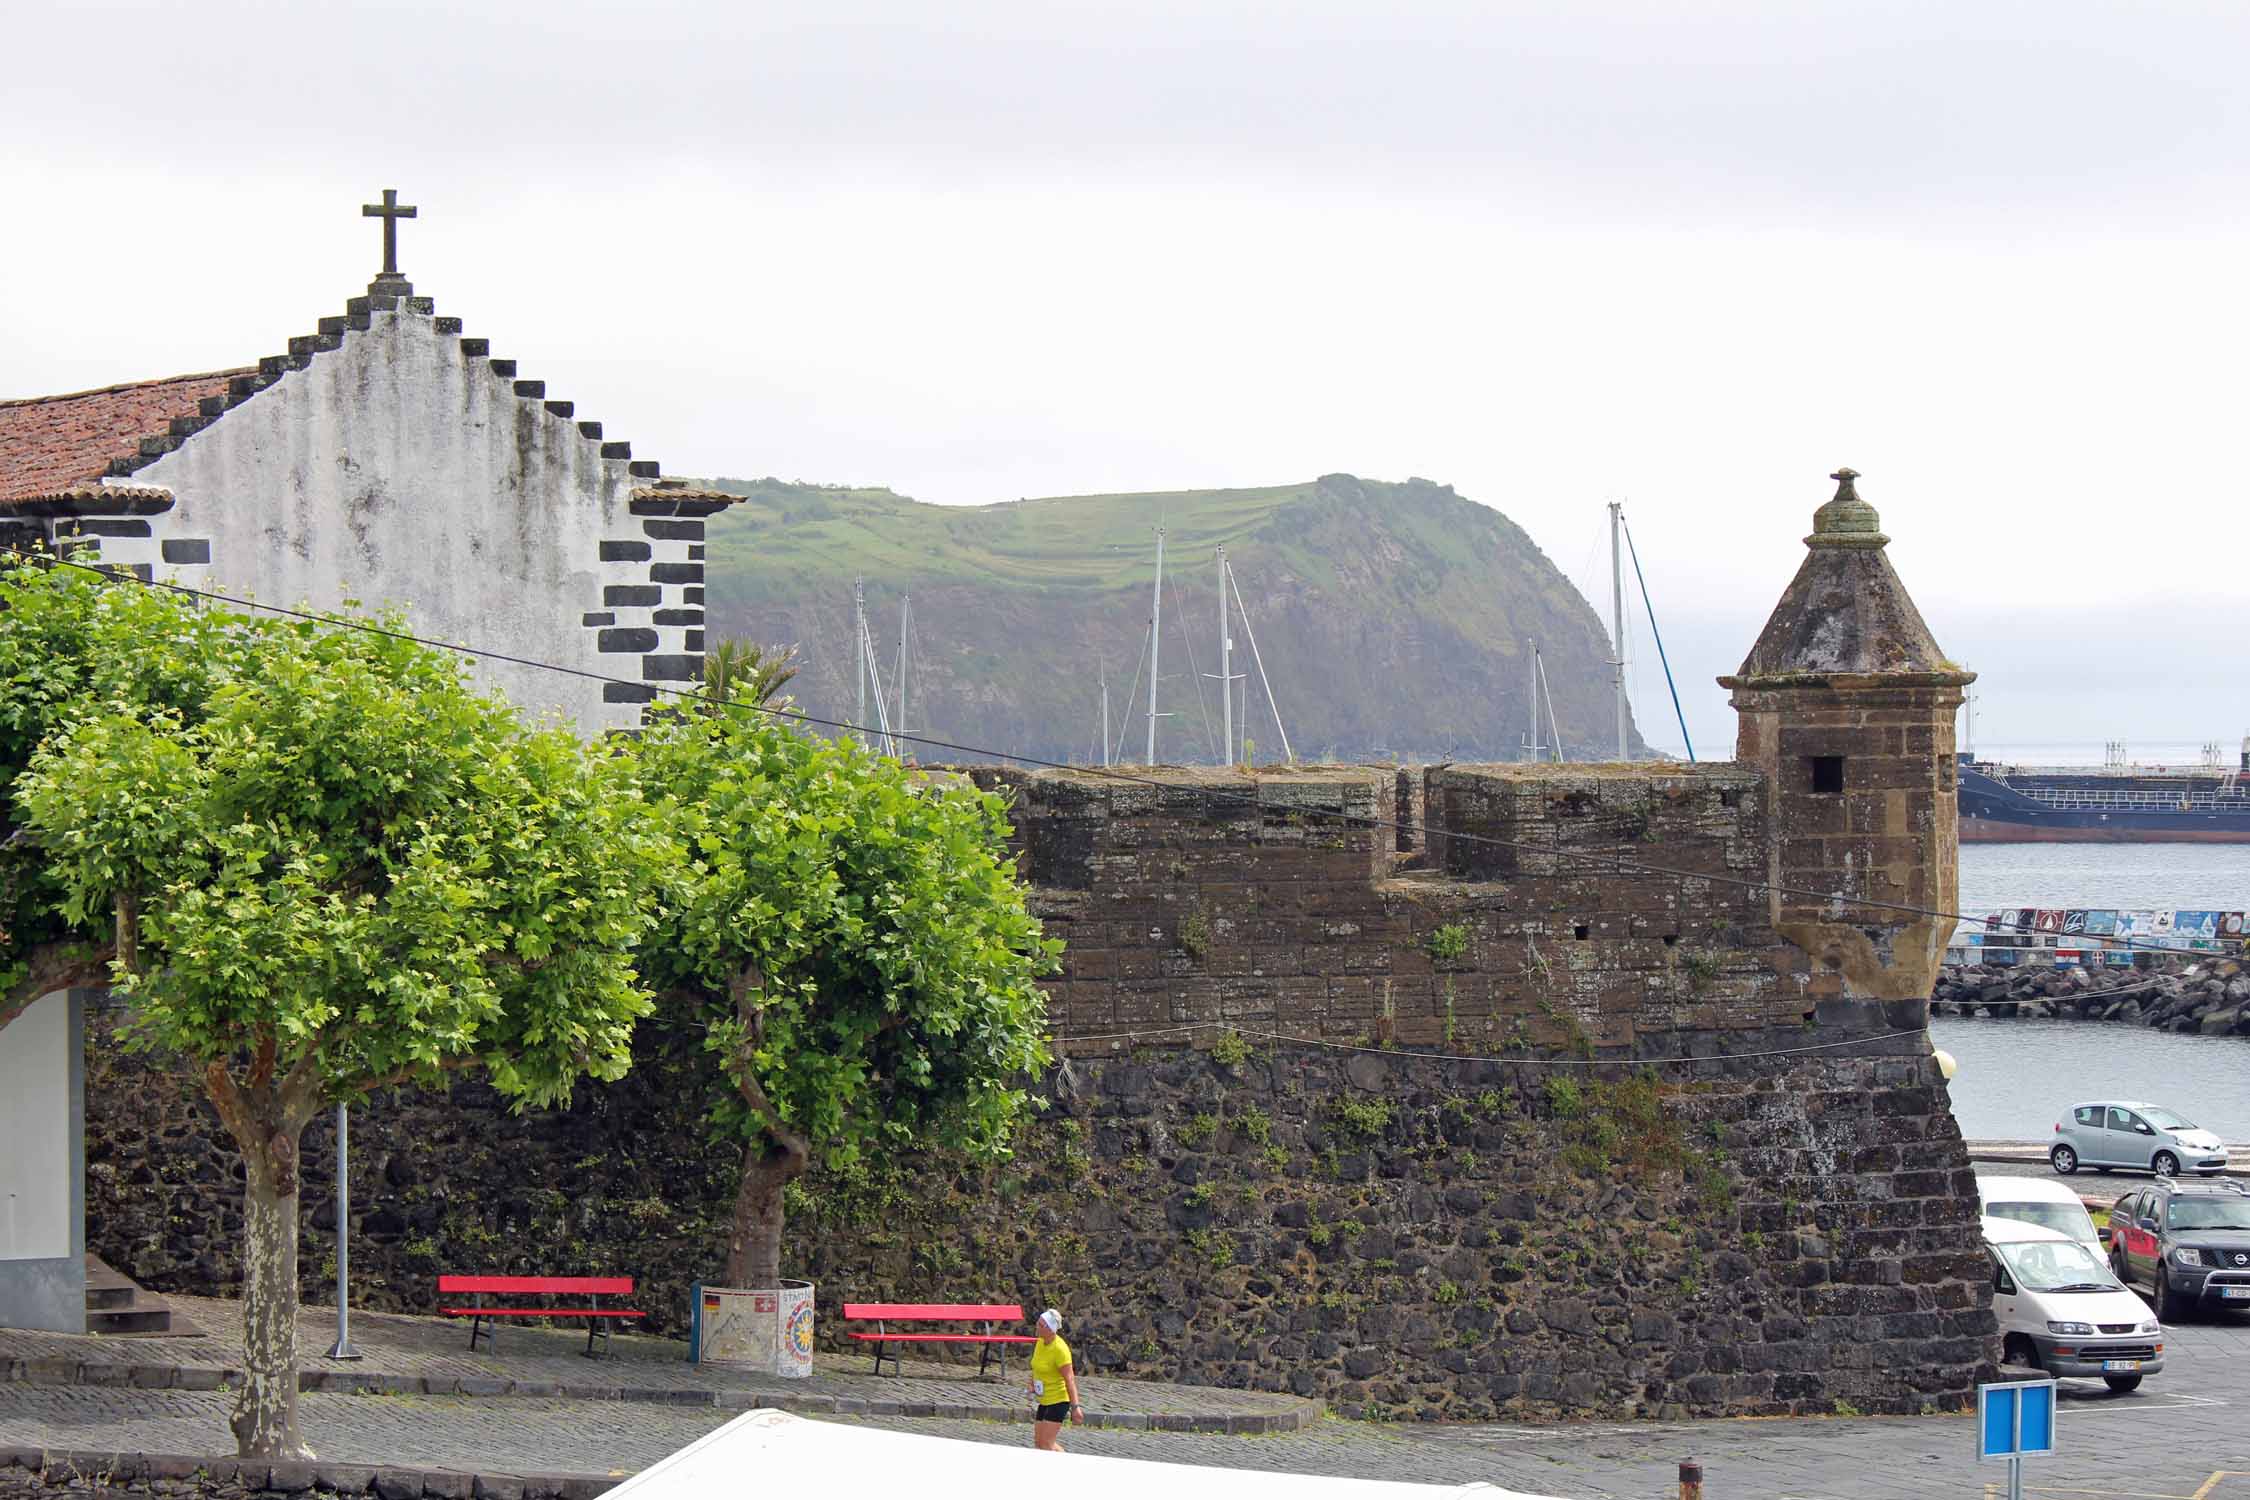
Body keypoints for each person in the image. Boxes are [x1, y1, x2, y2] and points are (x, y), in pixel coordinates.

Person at [1027, 1307, 1082, 1451]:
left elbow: (1070, 1379)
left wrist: (1075, 1408)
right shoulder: (1040, 1342)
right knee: (1039, 1443)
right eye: (1038, 1323)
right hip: (1044, 1399)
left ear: (1050, 1329)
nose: (1037, 1326)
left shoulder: (1060, 1350)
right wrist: (1032, 1382)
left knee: (1047, 1444)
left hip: (1058, 1400)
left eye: (1041, 1324)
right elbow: (1036, 1365)